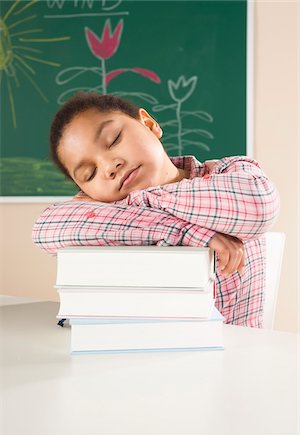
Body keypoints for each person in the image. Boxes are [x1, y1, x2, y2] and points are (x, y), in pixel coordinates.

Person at [32, 92, 280, 327]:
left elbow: (258, 205)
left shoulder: (231, 172)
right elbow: (45, 229)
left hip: (239, 356)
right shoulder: (99, 207)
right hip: (148, 355)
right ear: (85, 190)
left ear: (149, 124)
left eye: (114, 140)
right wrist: (184, 232)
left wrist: (141, 200)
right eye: (90, 173)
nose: (109, 167)